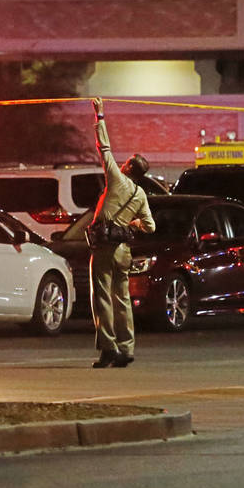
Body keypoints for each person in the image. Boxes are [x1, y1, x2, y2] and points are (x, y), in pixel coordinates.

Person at [88, 98, 155, 369]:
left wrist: (100, 116)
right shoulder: (140, 195)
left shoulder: (117, 180)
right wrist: (131, 225)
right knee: (123, 299)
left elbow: (104, 148)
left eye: (126, 162)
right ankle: (127, 349)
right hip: (124, 251)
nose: (123, 164)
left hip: (104, 247)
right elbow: (150, 226)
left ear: (129, 168)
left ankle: (108, 349)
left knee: (102, 297)